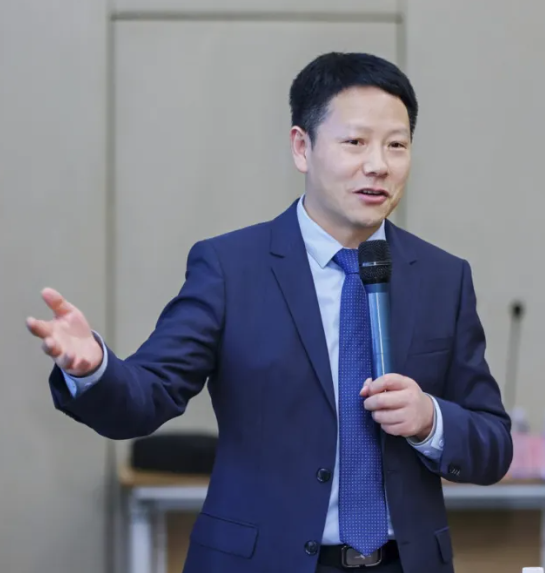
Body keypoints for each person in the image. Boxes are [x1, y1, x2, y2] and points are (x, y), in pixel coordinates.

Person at [26, 52, 512, 573]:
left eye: (397, 145)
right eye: (355, 142)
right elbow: (148, 396)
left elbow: (494, 445)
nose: (378, 164)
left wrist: (430, 420)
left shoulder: (443, 277)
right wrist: (94, 368)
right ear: (302, 147)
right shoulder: (231, 268)